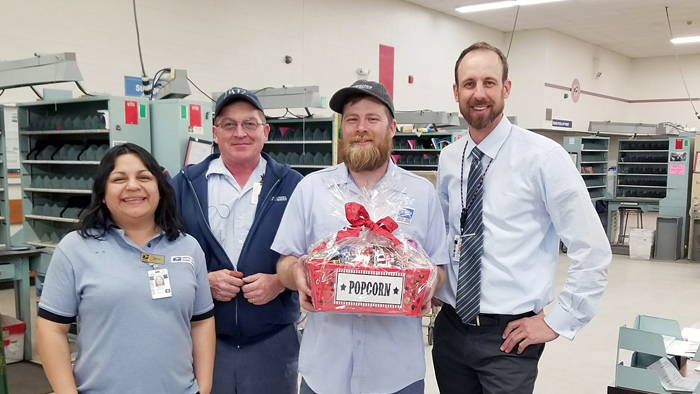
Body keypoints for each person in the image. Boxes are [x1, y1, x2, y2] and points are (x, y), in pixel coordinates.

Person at [433, 41, 612, 394]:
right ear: (456, 92)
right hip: (451, 330)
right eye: (469, 84)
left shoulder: (545, 158)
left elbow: (591, 249)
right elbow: (443, 230)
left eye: (489, 82)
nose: (479, 93)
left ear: (506, 88)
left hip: (509, 340)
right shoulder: (450, 158)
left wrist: (558, 319)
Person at [274, 80, 450, 394]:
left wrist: (427, 285)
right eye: (352, 120)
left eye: (372, 119)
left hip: (396, 374)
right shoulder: (312, 189)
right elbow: (285, 261)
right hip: (324, 372)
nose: (361, 128)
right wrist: (296, 273)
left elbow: (439, 267)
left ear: (392, 127)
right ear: (342, 129)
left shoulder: (420, 193)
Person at [37, 143, 215, 394]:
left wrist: (204, 387)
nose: (133, 186)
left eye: (144, 177)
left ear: (160, 189)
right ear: (102, 193)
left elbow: (202, 321)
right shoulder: (75, 249)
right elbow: (52, 328)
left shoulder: (188, 248)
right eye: (119, 179)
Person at [171, 87, 303, 394]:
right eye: (229, 125)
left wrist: (280, 281)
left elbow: (312, 256)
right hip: (204, 337)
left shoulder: (294, 184)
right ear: (215, 133)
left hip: (273, 340)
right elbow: (161, 256)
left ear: (266, 131)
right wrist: (202, 281)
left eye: (250, 124)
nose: (239, 133)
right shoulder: (184, 185)